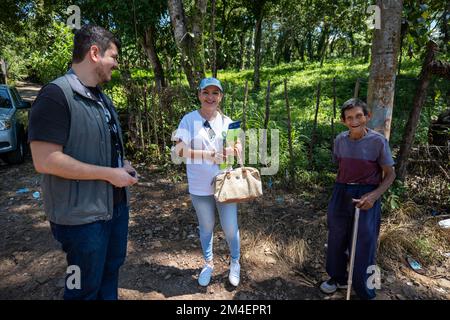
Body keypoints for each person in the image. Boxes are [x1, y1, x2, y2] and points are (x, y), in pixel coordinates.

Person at [28, 25, 138, 300]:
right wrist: (109, 174)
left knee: (110, 273)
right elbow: (45, 160)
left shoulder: (102, 98)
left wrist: (120, 165)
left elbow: (102, 145)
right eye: (113, 56)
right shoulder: (55, 95)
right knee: (82, 288)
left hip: (114, 209)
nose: (116, 64)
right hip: (80, 219)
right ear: (94, 53)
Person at [319, 98, 396, 300]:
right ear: (344, 121)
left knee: (365, 240)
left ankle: (366, 288)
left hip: (367, 194)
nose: (355, 121)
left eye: (359, 116)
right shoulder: (340, 140)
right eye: (350, 117)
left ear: (367, 116)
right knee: (336, 236)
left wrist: (373, 195)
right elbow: (340, 165)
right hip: (341, 191)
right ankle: (338, 278)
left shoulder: (378, 141)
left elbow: (390, 174)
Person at [173, 77, 243, 287]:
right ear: (199, 95)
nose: (210, 97)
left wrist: (235, 148)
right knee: (206, 226)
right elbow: (178, 150)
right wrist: (208, 155)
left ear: (221, 97)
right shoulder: (188, 120)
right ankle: (208, 263)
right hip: (199, 186)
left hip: (225, 185)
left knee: (230, 228)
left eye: (215, 93)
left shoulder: (228, 121)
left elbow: (237, 145)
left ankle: (235, 261)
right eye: (206, 92)